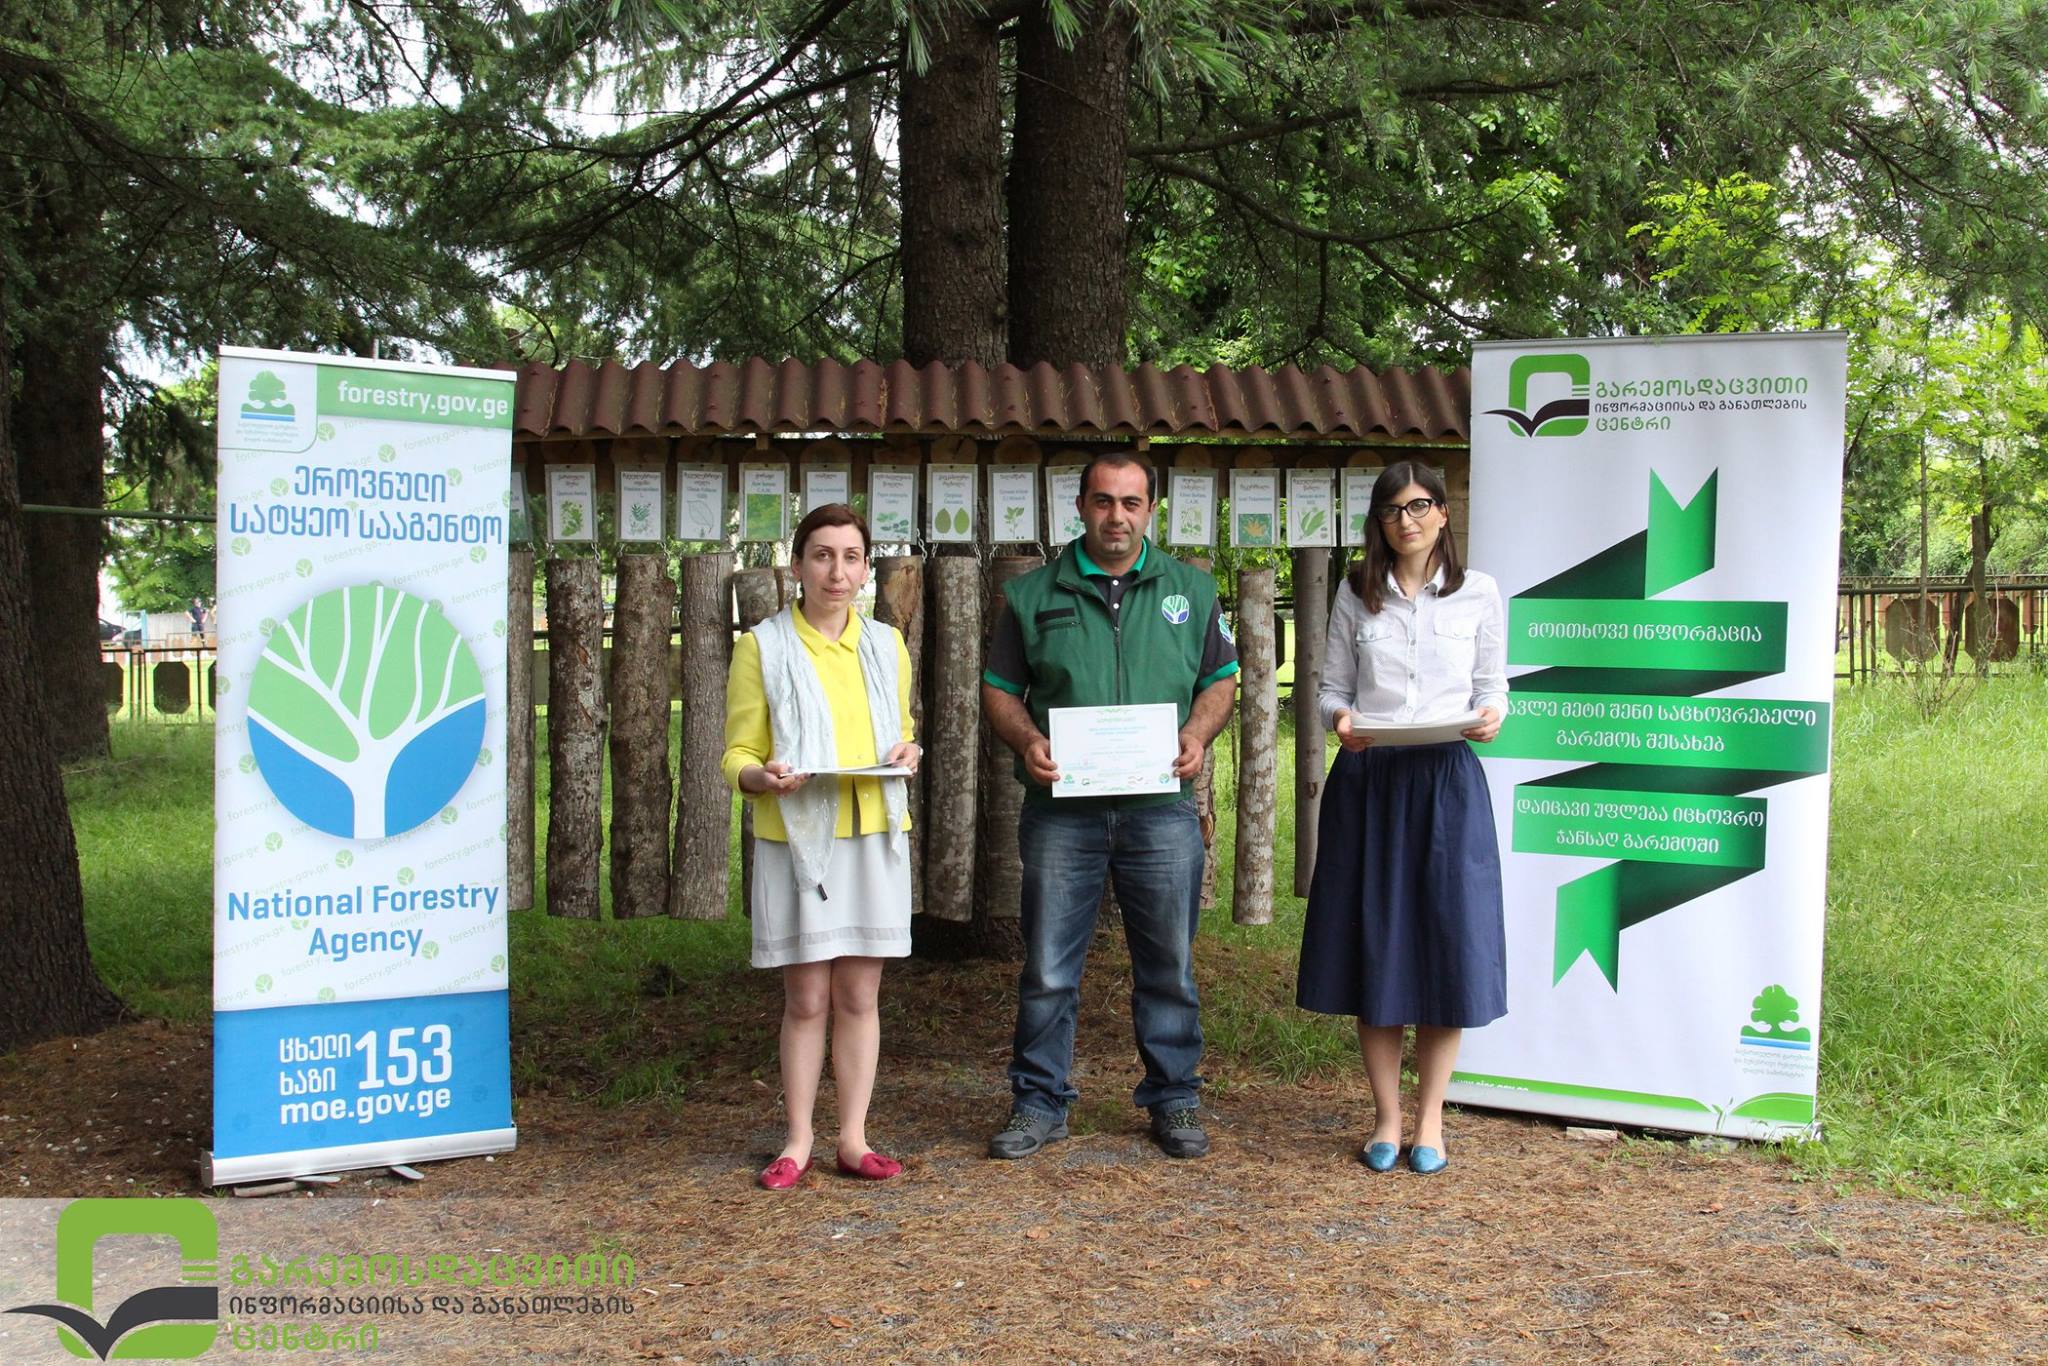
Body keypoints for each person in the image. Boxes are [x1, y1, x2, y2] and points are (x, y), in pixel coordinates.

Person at [981, 452, 1239, 1160]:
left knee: (1169, 965)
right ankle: (1038, 1102)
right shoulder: (1032, 595)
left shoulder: (1192, 590)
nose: (1116, 517)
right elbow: (999, 689)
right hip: (1063, 813)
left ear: (1150, 509)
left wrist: (1196, 734)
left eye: (1130, 503)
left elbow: (1221, 679)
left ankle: (1174, 1096)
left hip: (1162, 810)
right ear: (1081, 507)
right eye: (1102, 501)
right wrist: (1028, 739)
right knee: (1048, 968)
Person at [1297, 460, 1508, 1175]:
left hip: (1447, 782)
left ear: (1443, 513)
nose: (1406, 520)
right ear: (1378, 522)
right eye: (1391, 510)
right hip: (1372, 781)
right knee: (1378, 945)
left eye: (1419, 506)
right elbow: (1330, 689)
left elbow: (1492, 686)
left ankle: (1431, 1121)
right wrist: (1341, 721)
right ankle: (1386, 1117)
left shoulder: (1479, 592)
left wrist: (1493, 715)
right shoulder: (1356, 592)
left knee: (1448, 946)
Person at [722, 504, 922, 1189]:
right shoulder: (763, 647)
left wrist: (908, 749)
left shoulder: (886, 646)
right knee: (807, 997)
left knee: (860, 995)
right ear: (798, 565)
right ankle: (798, 1139)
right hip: (799, 838)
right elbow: (738, 753)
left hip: (872, 833)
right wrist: (761, 777)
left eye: (851, 557)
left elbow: (901, 730)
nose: (838, 572)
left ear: (866, 570)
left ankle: (853, 1138)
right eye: (823, 555)